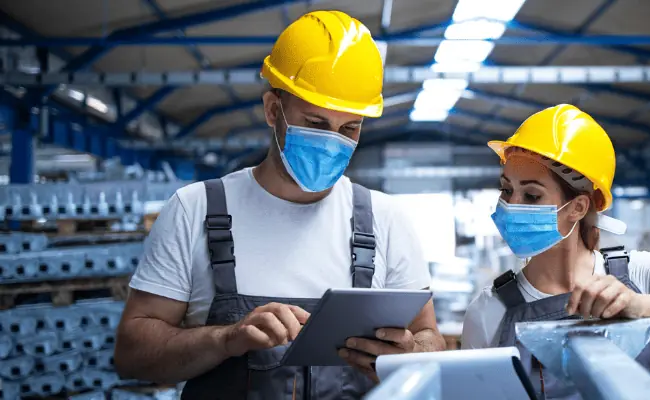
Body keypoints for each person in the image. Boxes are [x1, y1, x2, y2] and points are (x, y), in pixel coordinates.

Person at [113, 10, 444, 399]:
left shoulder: (385, 220)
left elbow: (429, 337)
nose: (333, 142)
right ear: (273, 110)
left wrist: (409, 355)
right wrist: (225, 339)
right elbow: (132, 354)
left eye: (349, 128)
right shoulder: (195, 209)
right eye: (316, 124)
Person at [460, 104, 650, 398]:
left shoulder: (641, 273)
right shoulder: (489, 310)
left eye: (532, 195)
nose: (512, 205)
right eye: (506, 190)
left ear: (578, 207)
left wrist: (638, 306)